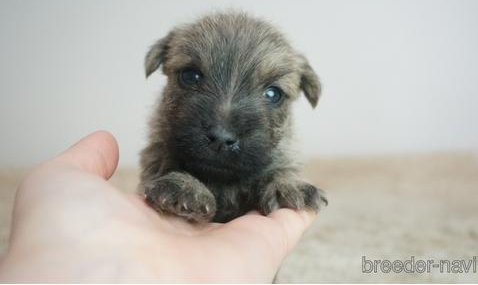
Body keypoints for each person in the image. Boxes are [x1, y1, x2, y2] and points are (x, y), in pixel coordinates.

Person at [0, 131, 316, 282]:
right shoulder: (165, 155)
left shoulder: (279, 165)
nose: (223, 128)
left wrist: (279, 185)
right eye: (192, 77)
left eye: (271, 93)